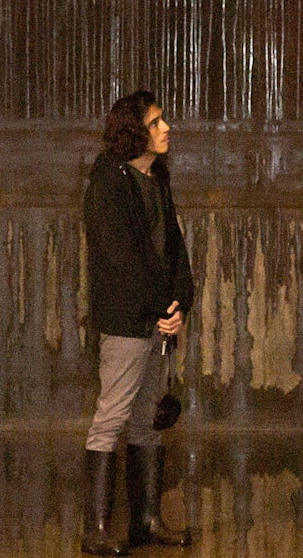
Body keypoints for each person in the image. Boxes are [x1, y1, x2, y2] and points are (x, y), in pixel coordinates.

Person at [80, 90, 194, 555]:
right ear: (133, 132)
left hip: (157, 319)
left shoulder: (156, 179)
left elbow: (174, 251)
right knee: (110, 419)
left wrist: (180, 303)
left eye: (162, 121)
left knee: (148, 420)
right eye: (155, 122)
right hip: (128, 320)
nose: (166, 128)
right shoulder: (108, 182)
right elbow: (121, 258)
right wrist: (159, 308)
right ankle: (97, 531)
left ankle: (146, 521)